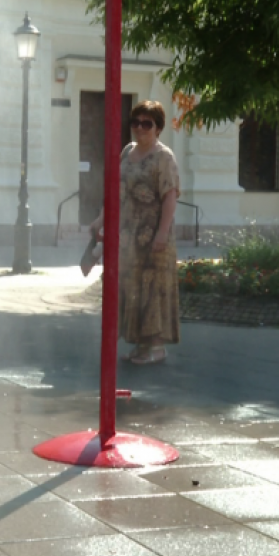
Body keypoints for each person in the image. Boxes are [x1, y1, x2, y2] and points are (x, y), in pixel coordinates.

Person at [89, 100, 180, 365]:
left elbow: (170, 197)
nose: (140, 128)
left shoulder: (164, 157)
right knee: (132, 289)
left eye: (147, 123)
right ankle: (141, 345)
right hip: (127, 237)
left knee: (153, 289)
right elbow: (116, 190)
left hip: (152, 236)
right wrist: (101, 219)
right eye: (136, 122)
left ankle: (156, 347)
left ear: (158, 128)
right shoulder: (127, 151)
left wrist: (162, 234)